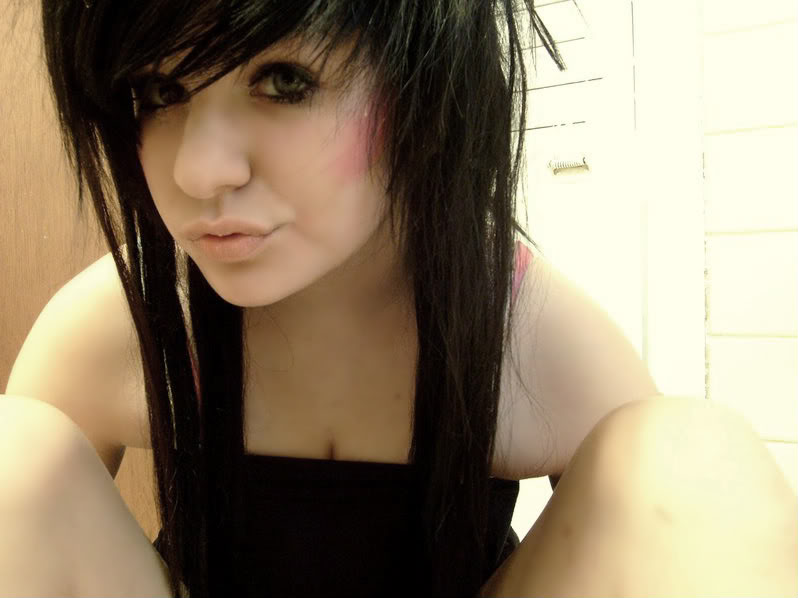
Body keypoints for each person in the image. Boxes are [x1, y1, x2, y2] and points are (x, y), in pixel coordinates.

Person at [4, 0, 796, 597]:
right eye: (156, 90)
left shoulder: (530, 336)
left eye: (284, 81)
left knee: (694, 463)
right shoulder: (121, 323)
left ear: (428, 88)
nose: (198, 171)